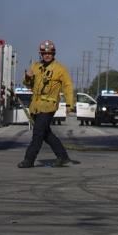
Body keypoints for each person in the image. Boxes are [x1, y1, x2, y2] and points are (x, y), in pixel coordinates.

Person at [18, 40, 78, 168]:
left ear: (54, 53)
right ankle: (63, 157)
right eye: (44, 53)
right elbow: (28, 85)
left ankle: (29, 159)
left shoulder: (60, 69)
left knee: (38, 133)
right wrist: (28, 77)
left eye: (50, 53)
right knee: (46, 134)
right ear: (40, 54)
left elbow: (68, 86)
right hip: (36, 106)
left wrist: (69, 104)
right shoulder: (35, 66)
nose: (47, 55)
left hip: (49, 106)